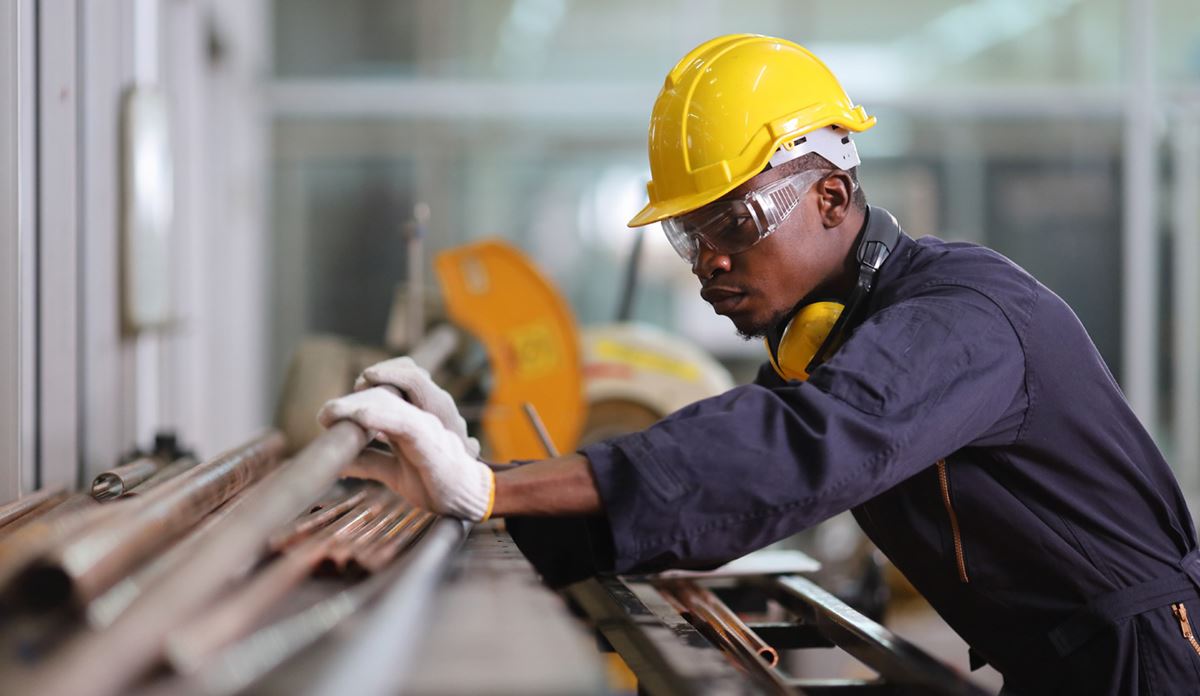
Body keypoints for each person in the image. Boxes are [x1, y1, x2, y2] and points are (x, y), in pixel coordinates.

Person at [317, 34, 1200, 695]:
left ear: (831, 195)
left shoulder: (958, 318)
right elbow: (733, 489)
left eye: (733, 225)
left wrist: (492, 493)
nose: (709, 264)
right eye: (689, 236)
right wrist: (485, 480)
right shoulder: (837, 329)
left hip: (1147, 664)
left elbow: (792, 449)